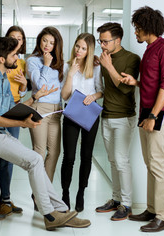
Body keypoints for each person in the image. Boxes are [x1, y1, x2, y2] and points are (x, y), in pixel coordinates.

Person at [0, 37, 90, 230]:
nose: (17, 57)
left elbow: (9, 109)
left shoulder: (2, 79)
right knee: (34, 160)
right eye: (14, 54)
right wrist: (20, 122)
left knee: (36, 160)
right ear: (1, 58)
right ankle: (49, 215)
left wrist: (33, 99)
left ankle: (62, 211)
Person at [120, 6, 164, 232]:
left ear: (148, 27)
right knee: (150, 164)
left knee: (158, 164)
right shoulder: (149, 49)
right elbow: (151, 82)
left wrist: (154, 115)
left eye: (137, 29)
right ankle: (152, 209)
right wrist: (134, 82)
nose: (135, 33)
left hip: (159, 113)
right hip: (147, 112)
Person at [94, 22, 141, 221]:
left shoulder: (132, 58)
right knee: (113, 160)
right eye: (100, 41)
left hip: (124, 117)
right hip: (106, 115)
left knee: (122, 161)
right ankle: (115, 199)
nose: (102, 45)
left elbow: (125, 88)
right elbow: (105, 87)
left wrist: (108, 66)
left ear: (118, 40)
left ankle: (127, 204)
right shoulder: (105, 58)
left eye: (105, 42)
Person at [0, 25, 28, 220]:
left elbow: (23, 90)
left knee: (8, 157)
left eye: (19, 38)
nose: (16, 41)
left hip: (14, 110)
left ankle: (6, 199)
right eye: (12, 37)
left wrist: (25, 85)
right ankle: (2, 201)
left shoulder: (22, 62)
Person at [60, 33, 104, 212]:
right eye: (77, 46)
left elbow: (101, 91)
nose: (79, 50)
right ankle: (65, 193)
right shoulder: (67, 66)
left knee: (86, 156)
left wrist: (93, 96)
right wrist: (70, 74)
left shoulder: (96, 67)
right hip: (71, 113)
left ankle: (80, 193)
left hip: (89, 114)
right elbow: (64, 95)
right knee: (69, 157)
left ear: (89, 50)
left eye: (84, 48)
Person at [26, 27, 64, 182]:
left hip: (56, 111)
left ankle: (45, 190)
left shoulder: (59, 63)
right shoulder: (32, 61)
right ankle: (38, 193)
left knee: (54, 153)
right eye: (44, 40)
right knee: (39, 153)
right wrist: (46, 65)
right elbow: (41, 87)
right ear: (39, 40)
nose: (47, 45)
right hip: (40, 109)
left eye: (52, 42)